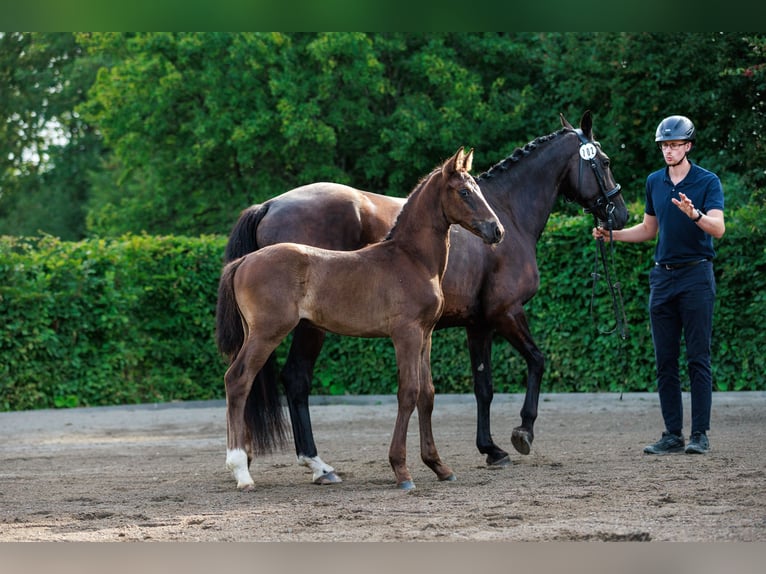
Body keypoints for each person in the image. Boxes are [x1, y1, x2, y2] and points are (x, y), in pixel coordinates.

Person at [593, 115, 725, 455]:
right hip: (663, 277)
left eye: (675, 144)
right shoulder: (655, 182)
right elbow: (649, 229)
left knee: (698, 358)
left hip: (696, 275)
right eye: (665, 145)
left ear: (688, 146)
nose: (669, 150)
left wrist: (694, 215)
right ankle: (671, 435)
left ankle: (699, 435)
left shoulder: (707, 181)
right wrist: (613, 235)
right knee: (664, 360)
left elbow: (718, 229)